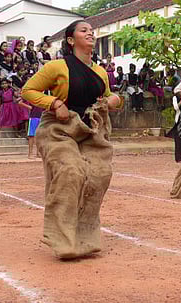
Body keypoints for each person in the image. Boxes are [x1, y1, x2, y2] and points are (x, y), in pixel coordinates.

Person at [20, 20, 123, 259]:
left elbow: (106, 96)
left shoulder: (99, 72)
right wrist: (54, 103)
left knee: (99, 175)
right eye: (83, 30)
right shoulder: (56, 66)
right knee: (71, 172)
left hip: (89, 130)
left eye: (91, 30)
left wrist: (114, 99)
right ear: (70, 40)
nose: (90, 33)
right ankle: (62, 241)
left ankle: (85, 239)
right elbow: (28, 90)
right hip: (59, 129)